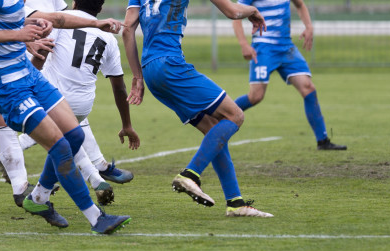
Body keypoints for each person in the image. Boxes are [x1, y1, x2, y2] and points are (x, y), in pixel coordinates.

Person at [0, 0, 131, 234]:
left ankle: (30, 194)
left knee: (73, 135)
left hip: (4, 72)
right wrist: (21, 34)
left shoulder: (16, 2)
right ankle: (95, 218)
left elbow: (55, 18)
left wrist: (96, 23)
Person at [122, 0, 274, 217]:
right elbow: (232, 11)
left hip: (150, 70)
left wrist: (137, 76)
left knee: (213, 127)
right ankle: (190, 175)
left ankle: (235, 202)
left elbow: (127, 30)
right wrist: (254, 10)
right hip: (170, 64)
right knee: (235, 115)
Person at [18, 0, 140, 206]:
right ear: (100, 9)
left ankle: (18, 148)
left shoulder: (58, 26)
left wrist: (25, 83)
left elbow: (41, 53)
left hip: (51, 98)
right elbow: (119, 87)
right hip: (83, 106)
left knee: (56, 140)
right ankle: (97, 177)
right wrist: (127, 124)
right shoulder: (108, 38)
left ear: (73, 4)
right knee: (72, 133)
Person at [232, 0, 346, 151]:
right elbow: (235, 13)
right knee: (256, 96)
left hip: (286, 47)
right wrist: (243, 44)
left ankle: (323, 141)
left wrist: (309, 27)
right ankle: (220, 114)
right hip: (264, 47)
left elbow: (300, 5)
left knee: (308, 88)